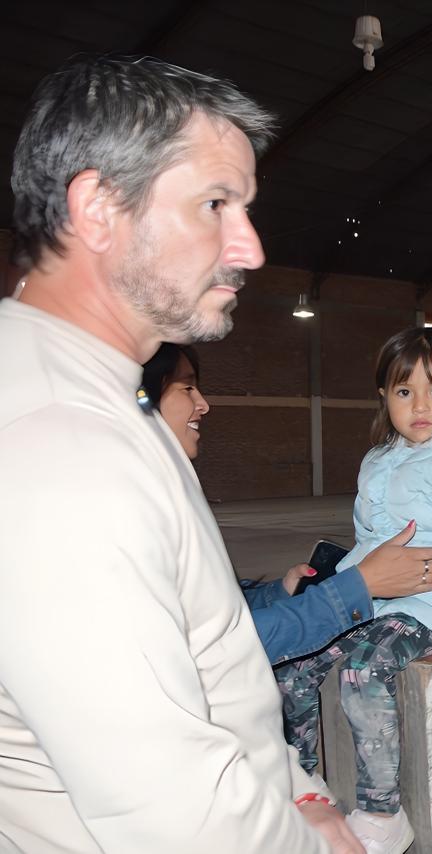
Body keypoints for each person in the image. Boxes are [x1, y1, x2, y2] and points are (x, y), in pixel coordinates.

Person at [0, 56, 360, 852]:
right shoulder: (62, 448)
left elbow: (202, 673)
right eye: (214, 204)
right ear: (97, 209)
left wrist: (296, 793)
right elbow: (168, 810)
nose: (251, 248)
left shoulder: (92, 400)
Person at [275, 326, 432, 854]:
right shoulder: (380, 460)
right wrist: (333, 587)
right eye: (403, 391)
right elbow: (370, 543)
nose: (419, 405)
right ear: (383, 398)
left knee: (363, 669)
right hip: (380, 598)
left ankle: (381, 811)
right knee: (294, 665)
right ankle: (303, 787)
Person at [141, 342, 432, 664]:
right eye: (187, 387)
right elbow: (215, 644)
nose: (203, 404)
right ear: (141, 399)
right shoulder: (131, 511)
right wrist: (358, 586)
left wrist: (277, 593)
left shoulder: (166, 492)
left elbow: (206, 609)